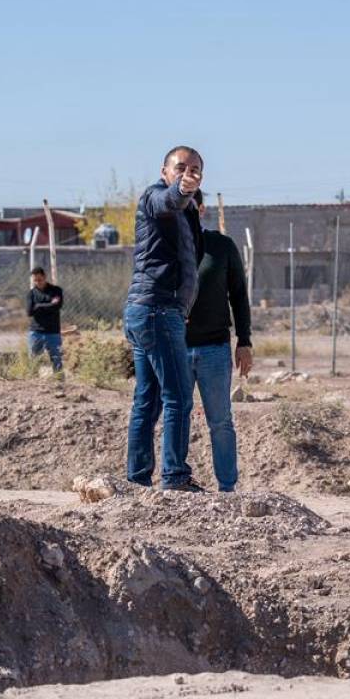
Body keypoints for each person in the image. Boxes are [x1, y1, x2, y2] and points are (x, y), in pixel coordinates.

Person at [124, 145, 203, 491]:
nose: (187, 172)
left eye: (195, 169)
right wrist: (181, 191)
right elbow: (166, 201)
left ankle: (137, 481)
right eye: (180, 167)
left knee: (148, 399)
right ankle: (174, 477)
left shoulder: (187, 212)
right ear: (164, 171)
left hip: (151, 311)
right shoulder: (155, 197)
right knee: (178, 397)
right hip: (156, 311)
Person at [186, 193, 253, 491]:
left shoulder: (221, 246)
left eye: (190, 206)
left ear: (201, 209)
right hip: (176, 348)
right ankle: (175, 480)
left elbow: (238, 294)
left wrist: (245, 340)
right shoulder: (167, 246)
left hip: (214, 347)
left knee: (220, 421)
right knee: (175, 417)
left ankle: (227, 488)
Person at [25, 267, 64, 371]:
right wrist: (49, 304)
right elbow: (29, 312)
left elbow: (57, 307)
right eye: (35, 280)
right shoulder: (32, 294)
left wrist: (38, 306)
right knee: (34, 360)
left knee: (57, 360)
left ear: (45, 277)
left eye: (40, 279)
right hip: (36, 332)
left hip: (53, 331)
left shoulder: (56, 291)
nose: (38, 282)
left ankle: (59, 381)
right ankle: (32, 382)